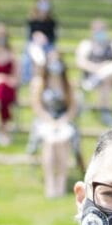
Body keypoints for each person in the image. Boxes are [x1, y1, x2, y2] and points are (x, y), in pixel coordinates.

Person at [29, 50, 81, 198]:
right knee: (51, 142)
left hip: (64, 119)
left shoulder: (68, 84)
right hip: (45, 120)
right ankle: (50, 183)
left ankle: (61, 182)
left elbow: (72, 108)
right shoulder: (40, 83)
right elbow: (37, 106)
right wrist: (50, 120)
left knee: (62, 141)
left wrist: (63, 120)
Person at [74, 19, 112, 127]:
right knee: (106, 82)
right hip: (91, 75)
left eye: (102, 29)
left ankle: (98, 79)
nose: (100, 32)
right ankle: (105, 112)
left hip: (111, 76)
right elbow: (80, 62)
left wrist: (105, 68)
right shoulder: (86, 44)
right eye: (97, 30)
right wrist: (96, 68)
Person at [21, 0, 57, 85]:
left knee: (52, 57)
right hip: (34, 44)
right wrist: (36, 37)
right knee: (28, 57)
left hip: (47, 45)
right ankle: (27, 78)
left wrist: (45, 39)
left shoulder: (52, 21)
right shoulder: (32, 20)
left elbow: (53, 37)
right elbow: (28, 36)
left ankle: (47, 78)